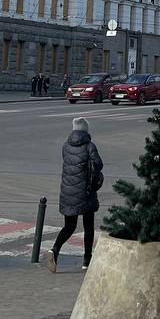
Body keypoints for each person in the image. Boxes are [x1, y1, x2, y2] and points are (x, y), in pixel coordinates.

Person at [48, 117, 103, 273]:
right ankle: (86, 260)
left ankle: (54, 250)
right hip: (86, 191)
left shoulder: (66, 146)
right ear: (86, 130)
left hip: (68, 191)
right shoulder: (89, 146)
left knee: (69, 225)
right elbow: (98, 164)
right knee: (88, 226)